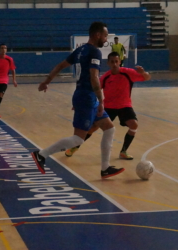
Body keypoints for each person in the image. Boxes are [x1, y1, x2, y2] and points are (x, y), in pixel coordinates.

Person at [31, 22, 125, 179]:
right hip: (87, 97)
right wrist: (101, 100)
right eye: (105, 35)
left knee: (109, 129)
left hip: (85, 96)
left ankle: (105, 168)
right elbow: (94, 78)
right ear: (97, 35)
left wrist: (47, 81)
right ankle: (41, 154)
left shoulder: (80, 50)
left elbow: (60, 65)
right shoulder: (94, 52)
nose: (106, 38)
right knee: (78, 139)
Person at [65, 51, 151, 160]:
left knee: (134, 125)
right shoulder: (105, 77)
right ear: (108, 63)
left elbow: (147, 77)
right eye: (112, 62)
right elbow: (94, 90)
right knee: (93, 127)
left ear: (120, 62)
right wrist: (80, 102)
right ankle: (75, 147)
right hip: (109, 107)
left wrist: (143, 73)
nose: (114, 64)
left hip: (125, 105)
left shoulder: (128, 73)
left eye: (116, 61)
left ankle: (123, 151)